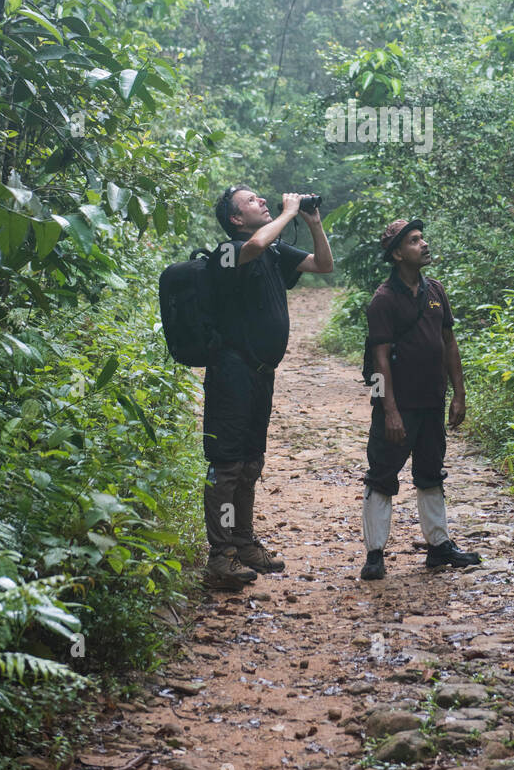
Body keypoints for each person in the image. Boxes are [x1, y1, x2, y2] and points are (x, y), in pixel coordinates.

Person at [203, 186, 333, 591]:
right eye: (252, 201)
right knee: (226, 466)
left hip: (261, 373)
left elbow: (324, 265)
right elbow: (257, 243)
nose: (263, 202)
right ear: (236, 219)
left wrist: (312, 222)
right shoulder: (227, 252)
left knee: (250, 463)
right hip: (231, 372)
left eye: (264, 199)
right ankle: (220, 554)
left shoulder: (274, 253)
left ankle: (243, 543)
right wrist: (289, 212)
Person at [360, 217, 481, 580]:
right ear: (397, 253)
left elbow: (449, 344)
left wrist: (458, 393)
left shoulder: (436, 291)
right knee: (382, 475)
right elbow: (380, 360)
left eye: (422, 238)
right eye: (414, 241)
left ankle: (439, 547)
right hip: (399, 406)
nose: (423, 244)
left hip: (431, 402)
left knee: (431, 473)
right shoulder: (383, 300)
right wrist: (390, 411)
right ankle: (375, 553)